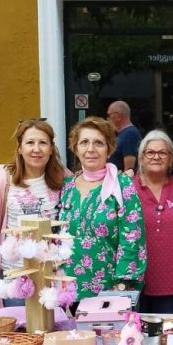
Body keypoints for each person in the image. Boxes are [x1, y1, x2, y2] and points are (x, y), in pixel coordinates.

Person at [58, 116, 146, 300]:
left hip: (109, 292)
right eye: (84, 142)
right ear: (75, 148)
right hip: (67, 291)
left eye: (98, 143)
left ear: (109, 148)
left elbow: (132, 238)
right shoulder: (66, 187)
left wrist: (122, 286)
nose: (91, 149)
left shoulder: (122, 186)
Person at [0, 119, 67, 308]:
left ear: (51, 148)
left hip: (51, 275)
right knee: (19, 334)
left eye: (43, 143)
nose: (36, 149)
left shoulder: (64, 177)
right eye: (30, 142)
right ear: (20, 148)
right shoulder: (4, 179)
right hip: (15, 276)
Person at [134, 130, 173, 314]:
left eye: (162, 153)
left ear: (170, 158)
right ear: (141, 157)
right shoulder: (127, 188)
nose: (156, 157)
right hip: (137, 279)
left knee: (170, 336)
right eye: (150, 152)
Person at [107, 100, 142, 172]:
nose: (107, 119)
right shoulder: (124, 134)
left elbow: (129, 170)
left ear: (118, 116)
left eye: (109, 115)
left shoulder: (130, 134)